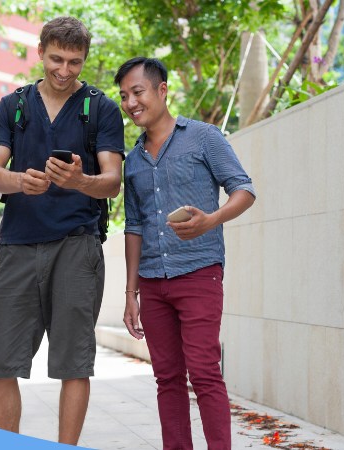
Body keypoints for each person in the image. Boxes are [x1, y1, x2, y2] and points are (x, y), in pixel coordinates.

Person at [0, 16, 124, 445]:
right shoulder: (13, 105)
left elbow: (113, 180)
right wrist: (22, 180)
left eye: (75, 62)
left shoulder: (101, 109)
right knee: (0, 360)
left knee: (73, 362)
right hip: (18, 246)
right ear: (39, 52)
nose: (64, 70)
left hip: (77, 246)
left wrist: (80, 181)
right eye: (56, 59)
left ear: (85, 60)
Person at [115, 57, 255, 450]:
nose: (130, 102)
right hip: (152, 282)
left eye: (137, 92)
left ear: (161, 90)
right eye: (124, 96)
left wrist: (212, 220)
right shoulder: (133, 161)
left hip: (199, 273)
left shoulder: (204, 137)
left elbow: (244, 189)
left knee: (205, 373)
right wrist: (131, 294)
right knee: (167, 379)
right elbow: (135, 226)